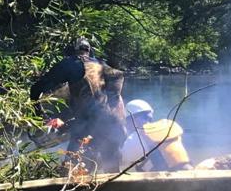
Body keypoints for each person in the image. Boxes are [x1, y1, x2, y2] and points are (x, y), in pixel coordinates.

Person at [29, 37, 127, 172]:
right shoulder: (101, 65)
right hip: (111, 126)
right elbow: (117, 80)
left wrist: (40, 116)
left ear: (71, 51)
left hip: (87, 128)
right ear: (89, 51)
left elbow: (36, 89)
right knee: (112, 176)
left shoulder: (71, 63)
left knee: (72, 174)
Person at [120, 99, 192, 172]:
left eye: (127, 121)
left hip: (164, 181)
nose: (126, 125)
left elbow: (121, 161)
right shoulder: (167, 128)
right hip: (187, 173)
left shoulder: (133, 139)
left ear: (133, 119)